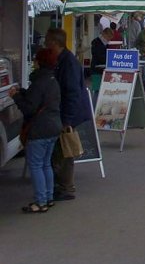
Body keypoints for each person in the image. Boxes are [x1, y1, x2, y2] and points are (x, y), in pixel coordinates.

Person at [9, 48, 63, 213]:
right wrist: (23, 92)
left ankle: (40, 202)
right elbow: (39, 99)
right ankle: (48, 197)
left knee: (36, 165)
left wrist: (16, 97)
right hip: (54, 126)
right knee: (46, 164)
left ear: (40, 62)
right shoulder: (53, 80)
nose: (33, 62)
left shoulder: (39, 81)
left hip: (39, 129)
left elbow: (30, 108)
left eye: (35, 59)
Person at [43, 28, 88, 201]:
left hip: (68, 113)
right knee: (61, 150)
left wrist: (67, 119)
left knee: (63, 149)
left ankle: (66, 187)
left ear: (54, 42)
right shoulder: (64, 60)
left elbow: (72, 92)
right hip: (66, 112)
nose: (45, 44)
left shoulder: (67, 62)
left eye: (47, 41)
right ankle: (63, 185)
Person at [90, 27, 113, 94]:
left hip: (103, 70)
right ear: (104, 34)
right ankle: (95, 104)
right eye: (108, 37)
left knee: (103, 90)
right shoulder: (96, 42)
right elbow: (97, 55)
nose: (109, 40)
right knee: (97, 89)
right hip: (96, 70)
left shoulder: (105, 44)